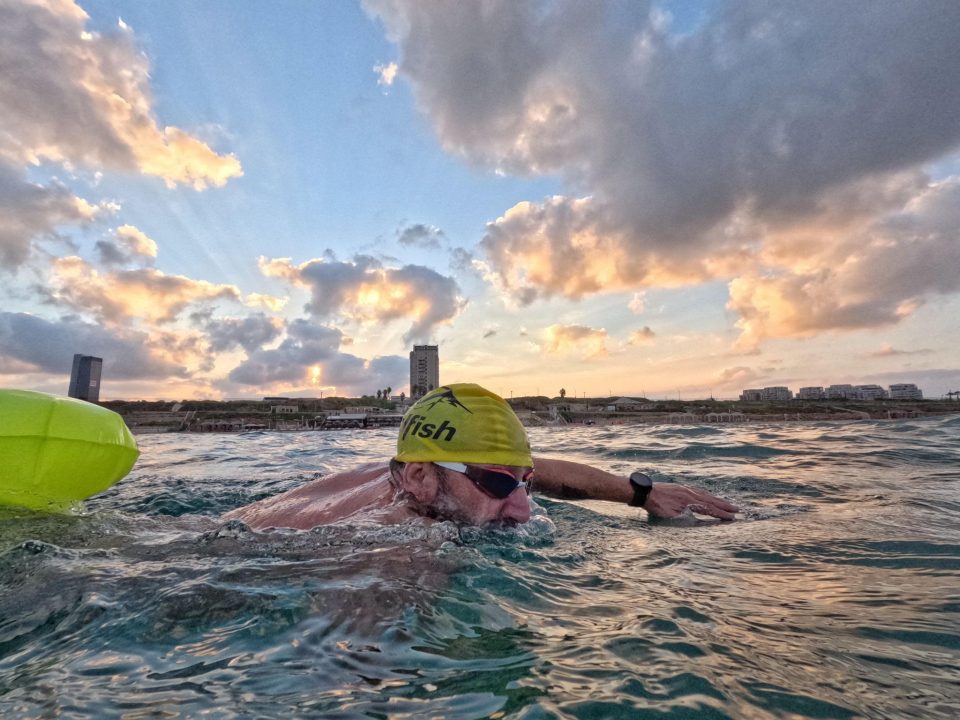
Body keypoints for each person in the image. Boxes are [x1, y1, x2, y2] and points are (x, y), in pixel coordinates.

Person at [225, 383, 739, 530]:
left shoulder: (406, 473)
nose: (522, 506)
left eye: (522, 483)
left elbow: (549, 474)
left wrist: (642, 493)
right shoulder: (397, 547)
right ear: (423, 477)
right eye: (498, 485)